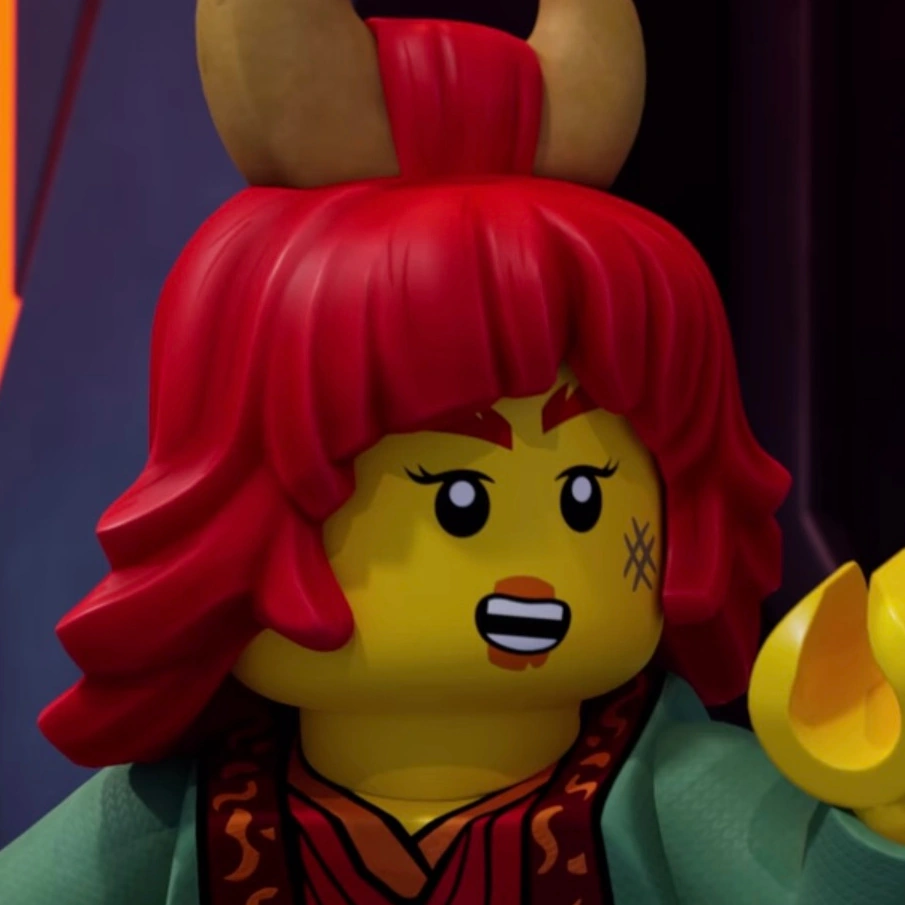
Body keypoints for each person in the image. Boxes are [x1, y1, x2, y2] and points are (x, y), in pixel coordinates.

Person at [2, 3, 903, 903]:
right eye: (458, 499)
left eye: (585, 496)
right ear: (229, 507)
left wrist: (885, 796)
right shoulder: (197, 811)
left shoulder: (660, 785)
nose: (532, 573)